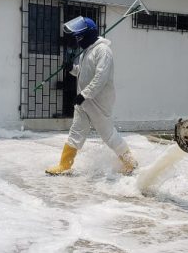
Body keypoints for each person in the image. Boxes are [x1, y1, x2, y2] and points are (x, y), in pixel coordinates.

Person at [46, 17, 137, 175]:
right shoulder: (87, 50)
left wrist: (84, 94)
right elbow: (84, 73)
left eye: (79, 37)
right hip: (85, 102)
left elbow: (100, 77)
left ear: (88, 34)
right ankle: (64, 165)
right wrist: (71, 69)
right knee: (76, 132)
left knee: (108, 135)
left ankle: (130, 163)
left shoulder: (103, 51)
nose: (77, 40)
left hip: (98, 102)